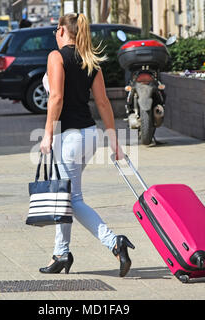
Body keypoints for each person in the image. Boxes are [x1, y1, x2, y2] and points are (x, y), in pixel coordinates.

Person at [39, 13, 135, 278]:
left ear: (61, 31)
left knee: (71, 200)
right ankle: (61, 254)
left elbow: (56, 97)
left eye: (56, 30)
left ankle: (115, 242)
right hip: (90, 135)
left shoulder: (56, 57)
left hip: (68, 138)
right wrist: (114, 140)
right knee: (65, 197)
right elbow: (103, 103)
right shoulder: (89, 59)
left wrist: (47, 134)